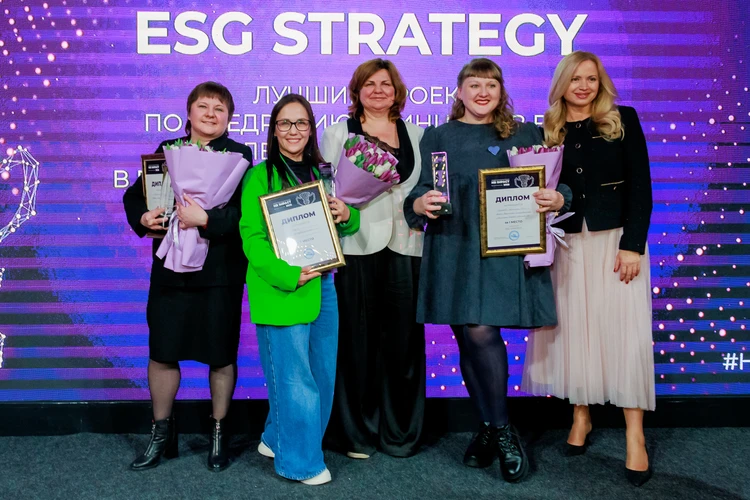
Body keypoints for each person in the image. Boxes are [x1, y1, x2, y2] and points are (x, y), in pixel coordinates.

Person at [404, 58, 571, 483]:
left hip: (502, 251)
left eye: (491, 85)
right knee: (466, 336)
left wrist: (559, 198)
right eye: (474, 85)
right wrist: (420, 203)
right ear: (459, 92)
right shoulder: (438, 136)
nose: (482, 92)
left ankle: (501, 429)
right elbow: (423, 189)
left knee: (480, 330)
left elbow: (556, 182)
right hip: (454, 249)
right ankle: (489, 426)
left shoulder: (525, 133)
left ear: (501, 92)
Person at [521, 51, 654, 487]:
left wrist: (633, 246)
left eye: (591, 79)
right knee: (575, 332)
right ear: (561, 84)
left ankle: (635, 436)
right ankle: (581, 416)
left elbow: (641, 186)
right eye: (575, 78)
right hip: (566, 245)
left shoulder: (622, 119)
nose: (583, 86)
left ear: (601, 83)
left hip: (615, 244)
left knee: (624, 334)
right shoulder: (547, 130)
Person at [123, 81, 253, 472]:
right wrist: (145, 217)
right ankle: (161, 434)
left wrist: (206, 219)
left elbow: (245, 216)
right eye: (203, 106)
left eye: (220, 108)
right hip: (171, 271)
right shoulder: (168, 150)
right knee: (163, 351)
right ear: (189, 112)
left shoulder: (240, 155)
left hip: (220, 273)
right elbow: (135, 196)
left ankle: (218, 434)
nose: (211, 114)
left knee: (221, 355)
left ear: (229, 118)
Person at [239, 94, 360, 485]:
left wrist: (347, 214)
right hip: (283, 288)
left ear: (311, 129)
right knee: (295, 380)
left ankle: (276, 437)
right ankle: (300, 463)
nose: (293, 130)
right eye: (285, 123)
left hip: (324, 285)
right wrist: (288, 274)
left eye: (301, 123)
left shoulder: (323, 174)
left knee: (322, 375)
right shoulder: (259, 176)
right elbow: (252, 238)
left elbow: (345, 223)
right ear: (274, 131)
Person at [320, 59, 426, 459]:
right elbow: (324, 187)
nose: (378, 90)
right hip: (356, 247)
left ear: (397, 91)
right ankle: (357, 434)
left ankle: (400, 433)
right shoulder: (337, 133)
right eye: (370, 84)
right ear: (357, 91)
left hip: (406, 246)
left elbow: (425, 188)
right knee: (355, 343)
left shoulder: (417, 134)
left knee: (404, 344)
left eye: (386, 84)